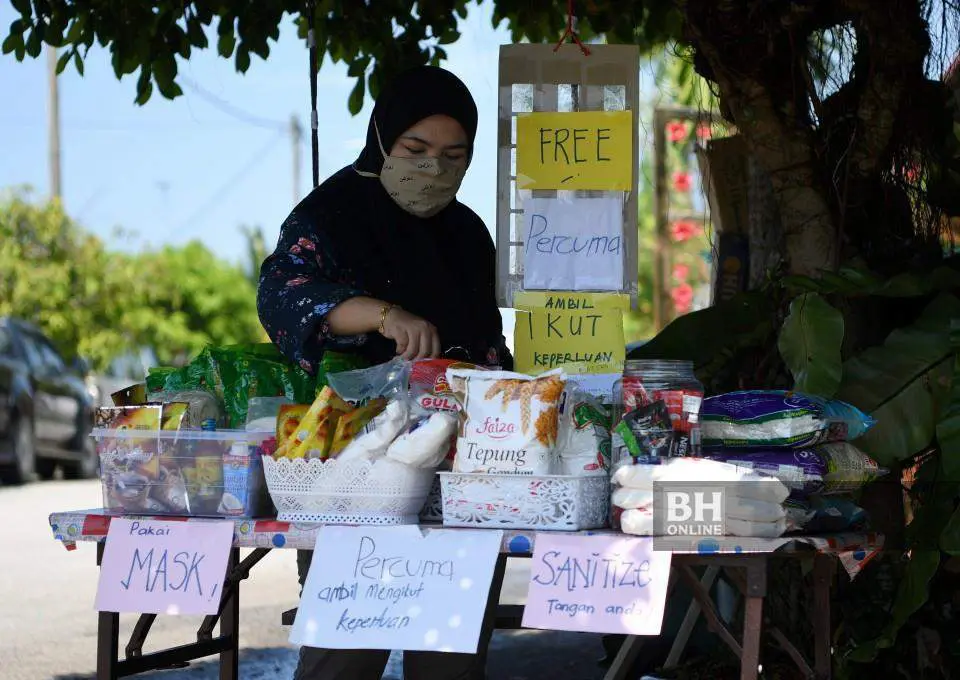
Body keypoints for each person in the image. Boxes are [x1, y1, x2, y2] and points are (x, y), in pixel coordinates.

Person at [257, 65, 509, 680]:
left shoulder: (468, 233)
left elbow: (489, 347)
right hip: (356, 472)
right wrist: (384, 314)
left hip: (458, 473)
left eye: (454, 157)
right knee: (345, 655)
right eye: (415, 150)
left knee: (449, 659)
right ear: (381, 138)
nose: (433, 171)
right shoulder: (333, 214)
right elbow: (283, 294)